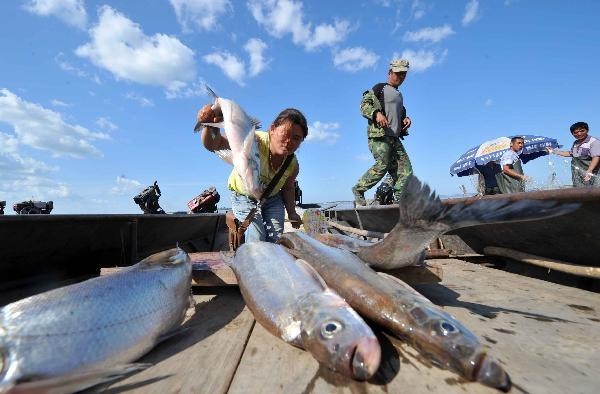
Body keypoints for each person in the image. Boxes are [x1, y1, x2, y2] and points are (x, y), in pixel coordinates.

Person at [197, 106, 307, 243]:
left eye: (296, 138)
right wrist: (208, 125)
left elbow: (288, 188)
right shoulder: (253, 140)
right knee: (256, 235)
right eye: (285, 133)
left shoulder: (293, 165)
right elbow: (214, 144)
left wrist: (292, 212)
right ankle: (253, 260)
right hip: (243, 196)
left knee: (276, 237)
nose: (289, 141)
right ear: (272, 129)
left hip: (271, 198)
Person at [352, 59, 413, 206]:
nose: (400, 77)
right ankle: (359, 189)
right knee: (383, 164)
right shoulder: (380, 88)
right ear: (389, 73)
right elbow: (364, 104)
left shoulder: (399, 95)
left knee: (406, 171)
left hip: (394, 139)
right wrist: (376, 114)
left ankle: (399, 201)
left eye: (403, 75)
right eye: (397, 74)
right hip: (380, 137)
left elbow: (399, 116)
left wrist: (406, 120)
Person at [546, 121, 600, 187]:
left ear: (587, 130)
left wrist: (590, 170)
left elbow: (596, 157)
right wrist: (554, 151)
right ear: (572, 134)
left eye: (582, 131)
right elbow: (571, 153)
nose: (579, 134)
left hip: (594, 171)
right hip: (578, 172)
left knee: (595, 190)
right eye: (576, 132)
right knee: (579, 191)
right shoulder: (576, 143)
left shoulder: (594, 142)